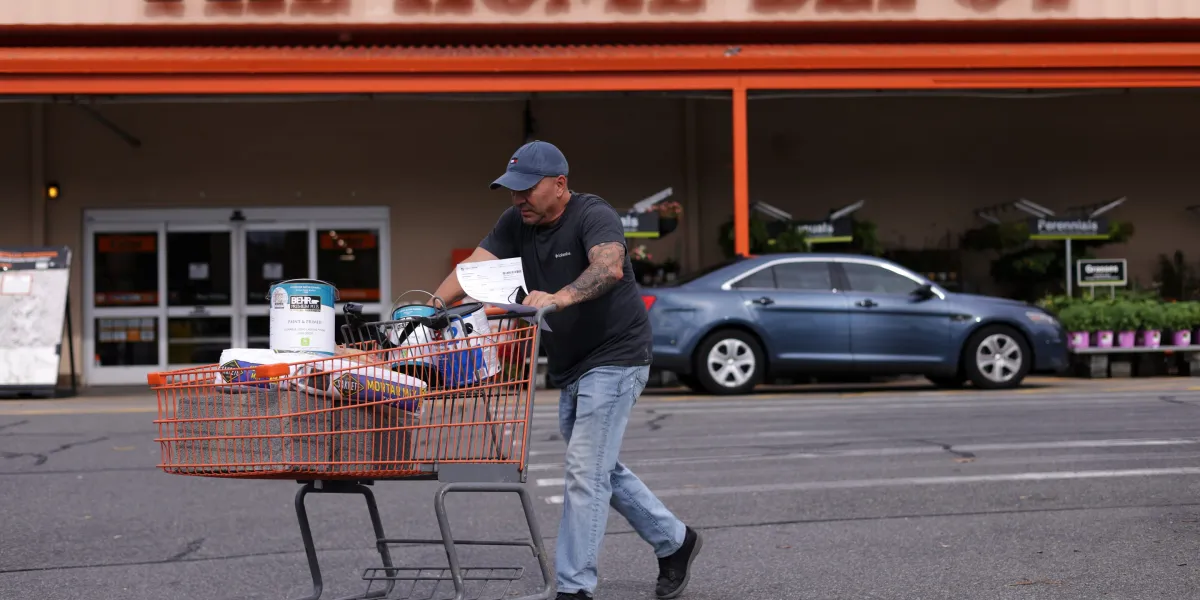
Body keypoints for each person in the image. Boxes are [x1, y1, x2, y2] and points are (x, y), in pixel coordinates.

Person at [430, 140, 702, 600]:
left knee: (583, 469)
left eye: (527, 189)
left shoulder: (593, 214)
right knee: (598, 468)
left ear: (560, 184)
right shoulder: (515, 221)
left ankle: (575, 588)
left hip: (617, 356)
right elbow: (474, 267)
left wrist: (559, 297)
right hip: (571, 363)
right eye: (511, 190)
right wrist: (431, 305)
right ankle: (675, 541)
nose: (517, 199)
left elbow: (609, 267)